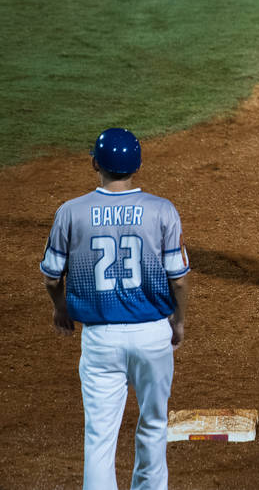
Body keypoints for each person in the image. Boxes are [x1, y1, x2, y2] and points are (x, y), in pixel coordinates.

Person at [41, 127, 190, 490]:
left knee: (99, 437)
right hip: (152, 334)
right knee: (154, 426)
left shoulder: (71, 212)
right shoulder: (161, 211)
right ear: (137, 165)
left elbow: (50, 276)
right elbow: (179, 279)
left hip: (99, 340)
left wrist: (61, 308)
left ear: (95, 163)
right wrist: (179, 320)